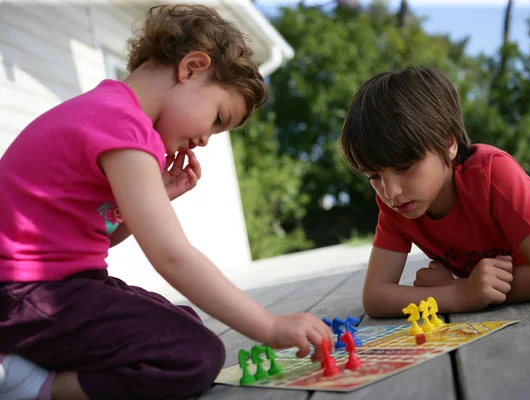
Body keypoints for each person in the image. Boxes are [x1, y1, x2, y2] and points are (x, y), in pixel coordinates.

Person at [0, 5, 333, 400]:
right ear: (192, 67)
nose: (207, 139)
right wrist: (270, 327)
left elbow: (87, 240)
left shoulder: (109, 113)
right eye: (217, 117)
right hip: (26, 293)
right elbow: (172, 255)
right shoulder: (123, 125)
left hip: (47, 288)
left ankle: (31, 361)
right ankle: (26, 383)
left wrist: (157, 198)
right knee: (193, 354)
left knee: (181, 323)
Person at [338, 67, 530, 319]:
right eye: (374, 176)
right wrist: (460, 294)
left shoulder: (492, 173)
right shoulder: (397, 205)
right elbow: (375, 297)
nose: (390, 191)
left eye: (405, 167)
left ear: (448, 143)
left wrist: (461, 289)